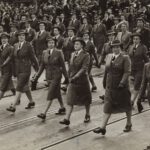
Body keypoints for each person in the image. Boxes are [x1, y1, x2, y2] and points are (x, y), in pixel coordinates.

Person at [93, 40, 132, 135]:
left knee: (126, 105)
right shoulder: (109, 56)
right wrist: (104, 81)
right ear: (111, 48)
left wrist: (122, 83)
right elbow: (107, 70)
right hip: (110, 86)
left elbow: (127, 72)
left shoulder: (125, 58)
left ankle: (129, 122)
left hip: (121, 87)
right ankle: (103, 127)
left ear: (121, 48)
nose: (115, 49)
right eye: (114, 47)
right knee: (108, 105)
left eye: (118, 47)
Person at [32, 37, 68, 120]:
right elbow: (42, 65)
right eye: (49, 43)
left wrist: (66, 78)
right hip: (48, 76)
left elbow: (63, 66)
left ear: (55, 43)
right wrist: (37, 76)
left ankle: (44, 113)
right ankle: (62, 107)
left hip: (57, 76)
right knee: (57, 92)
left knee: (51, 93)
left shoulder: (59, 52)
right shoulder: (44, 52)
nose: (51, 44)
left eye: (52, 42)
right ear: (47, 44)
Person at [59, 37, 92, 125]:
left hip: (82, 81)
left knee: (86, 99)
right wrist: (68, 77)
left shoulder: (86, 55)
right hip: (72, 81)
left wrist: (75, 77)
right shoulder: (73, 54)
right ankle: (67, 119)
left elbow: (84, 68)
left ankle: (87, 114)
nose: (75, 45)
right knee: (70, 99)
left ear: (82, 45)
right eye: (75, 44)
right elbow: (70, 67)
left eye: (77, 44)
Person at [6, 30, 39, 113]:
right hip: (18, 69)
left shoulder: (28, 45)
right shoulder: (15, 45)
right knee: (25, 87)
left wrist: (37, 70)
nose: (21, 37)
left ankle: (13, 106)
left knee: (19, 86)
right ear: (17, 37)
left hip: (26, 69)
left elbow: (34, 58)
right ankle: (31, 102)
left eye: (23, 35)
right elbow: (13, 59)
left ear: (25, 36)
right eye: (20, 35)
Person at [128, 33, 149, 106]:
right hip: (132, 69)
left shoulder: (143, 47)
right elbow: (129, 57)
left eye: (137, 39)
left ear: (140, 40)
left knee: (137, 85)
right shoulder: (130, 47)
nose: (135, 40)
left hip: (140, 69)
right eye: (134, 39)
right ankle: (143, 94)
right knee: (131, 86)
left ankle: (132, 101)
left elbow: (146, 59)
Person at [0, 32, 15, 100]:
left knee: (3, 86)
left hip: (8, 68)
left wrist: (3, 64)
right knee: (10, 84)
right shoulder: (0, 47)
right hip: (2, 69)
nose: (3, 40)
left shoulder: (10, 47)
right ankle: (17, 97)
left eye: (5, 38)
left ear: (8, 39)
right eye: (2, 38)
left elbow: (10, 57)